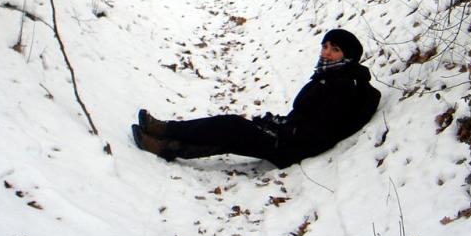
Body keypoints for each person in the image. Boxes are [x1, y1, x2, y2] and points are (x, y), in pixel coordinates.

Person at [131, 29, 380, 169]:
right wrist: (279, 124)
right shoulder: (332, 76)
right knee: (230, 135)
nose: (326, 53)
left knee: (230, 126)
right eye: (325, 46)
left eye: (335, 50)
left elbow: (321, 130)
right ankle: (165, 145)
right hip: (289, 138)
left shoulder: (343, 86)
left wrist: (283, 131)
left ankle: (165, 130)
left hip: (291, 148)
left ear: (348, 57)